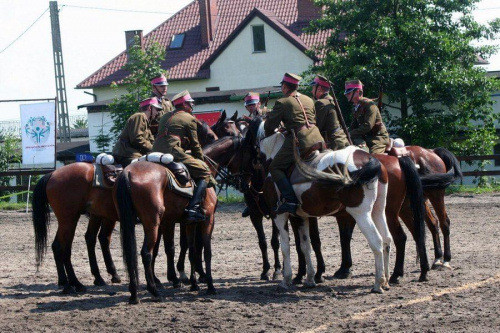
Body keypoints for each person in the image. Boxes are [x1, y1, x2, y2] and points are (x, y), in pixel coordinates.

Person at [264, 73, 325, 215]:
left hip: (300, 140)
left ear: (285, 87)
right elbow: (308, 120)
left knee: (275, 167)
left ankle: (290, 201)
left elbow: (269, 127)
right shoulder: (309, 99)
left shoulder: (282, 102)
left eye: (282, 86)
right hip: (318, 137)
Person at [152, 90, 212, 224]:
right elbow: (195, 144)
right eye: (190, 103)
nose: (192, 106)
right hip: (173, 151)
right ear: (184, 104)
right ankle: (193, 209)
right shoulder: (189, 118)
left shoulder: (164, 116)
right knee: (204, 172)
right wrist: (200, 160)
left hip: (155, 151)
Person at [112, 97, 163, 167]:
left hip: (131, 153)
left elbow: (150, 141)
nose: (157, 113)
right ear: (149, 108)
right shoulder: (139, 116)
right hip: (126, 153)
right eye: (156, 109)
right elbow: (136, 138)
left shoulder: (146, 121)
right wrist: (153, 148)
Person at [344, 79, 390, 154]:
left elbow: (368, 126)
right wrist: (344, 133)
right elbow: (354, 125)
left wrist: (350, 134)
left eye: (349, 92)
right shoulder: (356, 107)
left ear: (357, 91)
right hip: (366, 137)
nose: (346, 95)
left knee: (371, 160)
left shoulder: (369, 105)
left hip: (377, 138)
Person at [309, 75, 349, 150]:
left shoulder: (321, 103)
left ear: (319, 88)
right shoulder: (332, 100)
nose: (312, 91)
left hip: (333, 144)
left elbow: (317, 127)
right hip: (342, 139)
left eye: (313, 87)